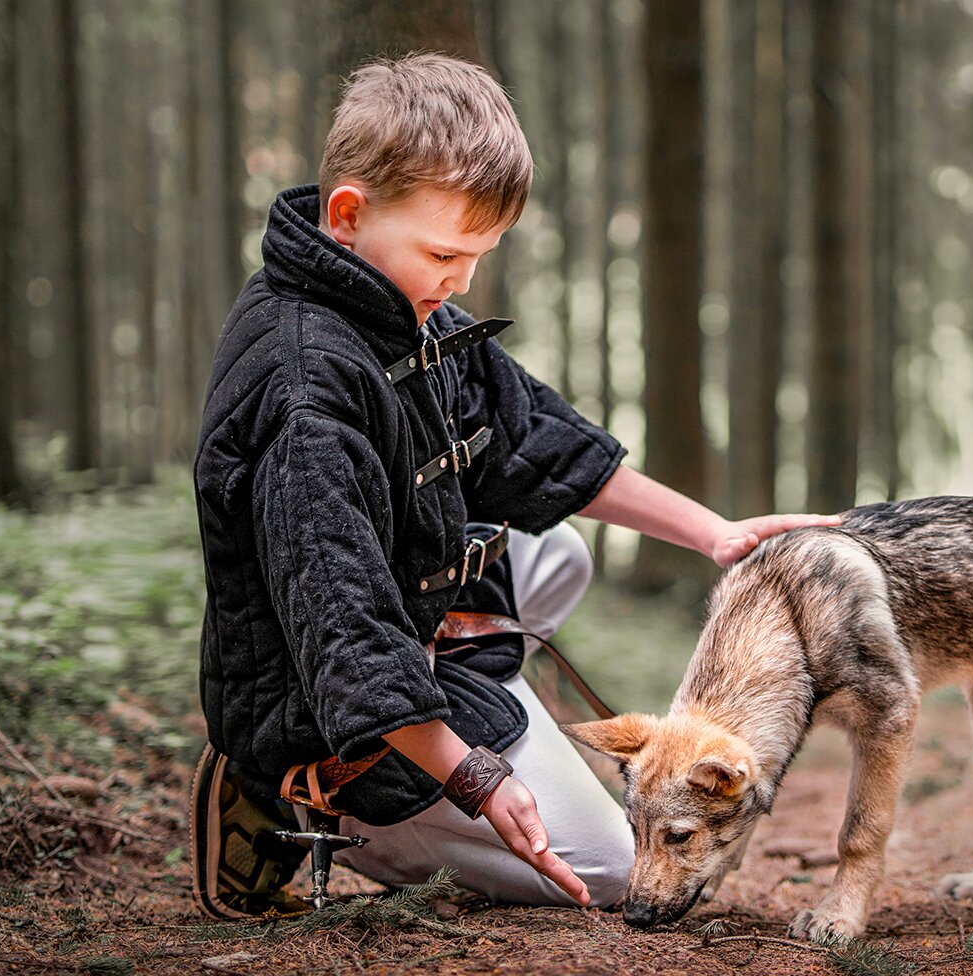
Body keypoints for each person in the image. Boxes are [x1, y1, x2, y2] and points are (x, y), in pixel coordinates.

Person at [189, 52, 835, 919]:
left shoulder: (405, 306)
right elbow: (348, 632)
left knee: (556, 551)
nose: (461, 282)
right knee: (609, 871)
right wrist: (479, 776)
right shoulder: (306, 388)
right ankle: (296, 787)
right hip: (325, 703)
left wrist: (715, 534)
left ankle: (470, 710)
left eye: (479, 257)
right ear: (348, 215)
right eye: (445, 253)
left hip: (413, 635)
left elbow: (533, 443)